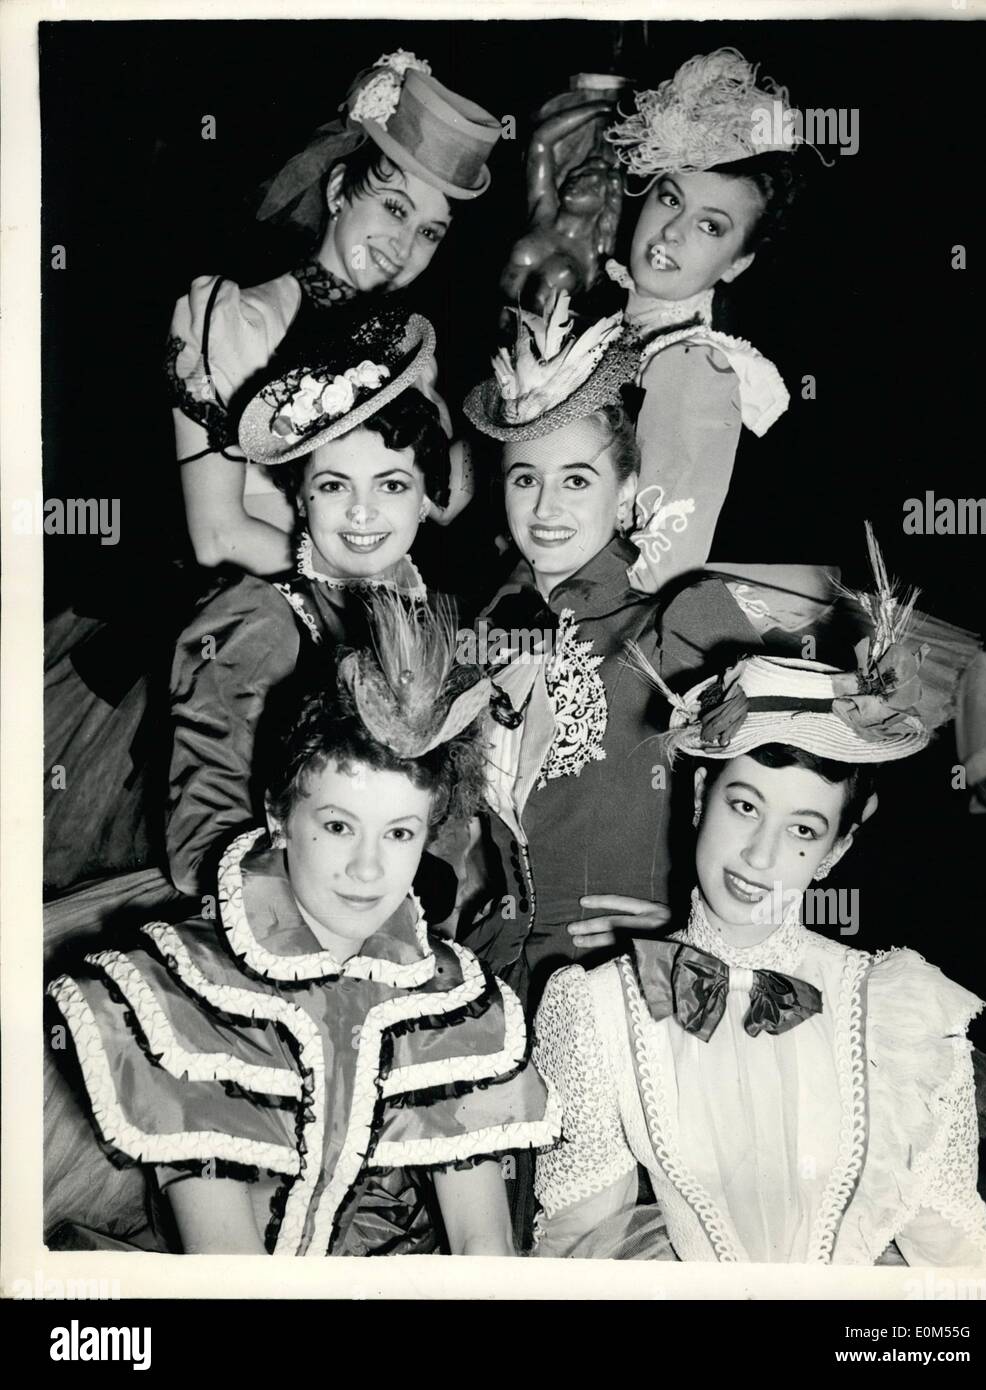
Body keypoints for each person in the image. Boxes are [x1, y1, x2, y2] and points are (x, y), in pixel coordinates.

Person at [46, 598, 560, 1256]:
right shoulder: (191, 996)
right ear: (281, 817)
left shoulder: (449, 1003)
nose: (368, 869)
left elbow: (483, 1244)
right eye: (339, 826)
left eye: (400, 833)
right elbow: (227, 1264)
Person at [532, 547, 986, 1264]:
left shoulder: (900, 1011)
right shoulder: (596, 1010)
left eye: (803, 829)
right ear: (695, 799)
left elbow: (955, 1259)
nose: (759, 855)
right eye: (744, 805)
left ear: (836, 850)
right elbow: (577, 1249)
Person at [460, 293, 769, 1012]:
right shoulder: (464, 641)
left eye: (577, 480)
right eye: (525, 479)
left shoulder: (682, 631)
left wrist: (695, 920)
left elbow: (779, 810)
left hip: (628, 998)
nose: (547, 508)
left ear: (626, 491)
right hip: (480, 997)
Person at [167, 50, 499, 574]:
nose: (404, 244)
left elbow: (438, 504)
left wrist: (514, 417)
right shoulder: (229, 320)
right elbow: (216, 535)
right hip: (250, 612)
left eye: (430, 232)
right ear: (339, 188)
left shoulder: (406, 349)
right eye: (394, 207)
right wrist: (365, 586)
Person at [167, 306, 457, 899]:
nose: (361, 512)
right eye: (333, 485)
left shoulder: (434, 627)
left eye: (392, 485)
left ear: (427, 499)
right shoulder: (258, 619)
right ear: (300, 497)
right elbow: (201, 847)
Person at [601, 48, 806, 593]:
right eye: (671, 199)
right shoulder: (610, 330)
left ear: (739, 262)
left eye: (710, 227)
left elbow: (658, 569)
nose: (672, 232)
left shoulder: (696, 367)